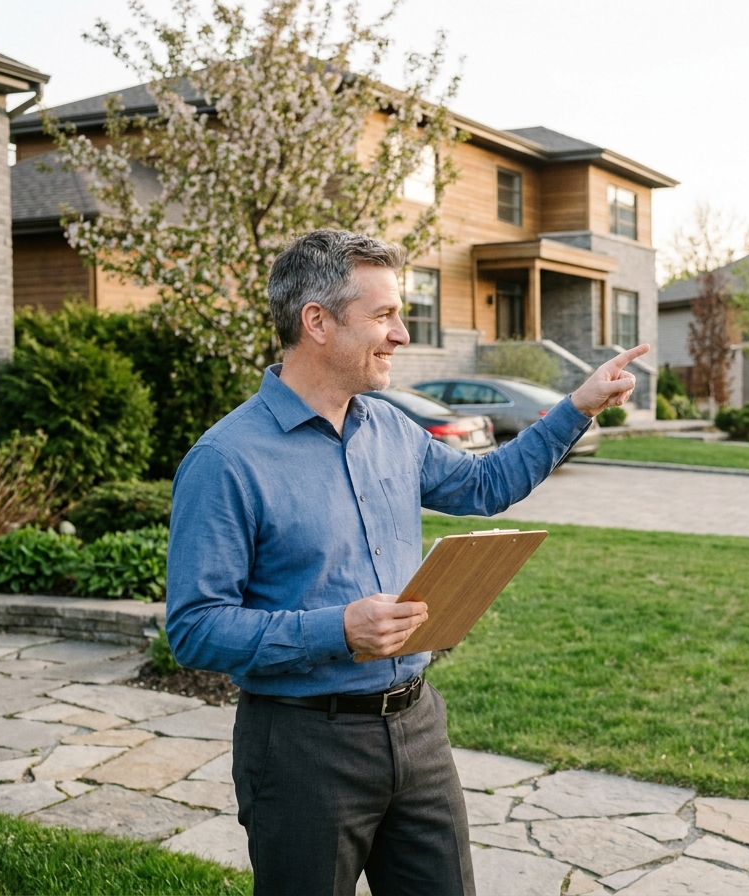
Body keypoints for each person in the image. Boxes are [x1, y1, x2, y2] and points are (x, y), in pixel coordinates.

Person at [165, 229, 649, 896]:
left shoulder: (390, 429)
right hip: (302, 748)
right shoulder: (226, 460)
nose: (400, 336)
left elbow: (484, 487)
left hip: (417, 728)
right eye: (384, 316)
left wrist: (578, 407)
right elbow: (194, 628)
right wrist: (337, 629)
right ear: (318, 323)